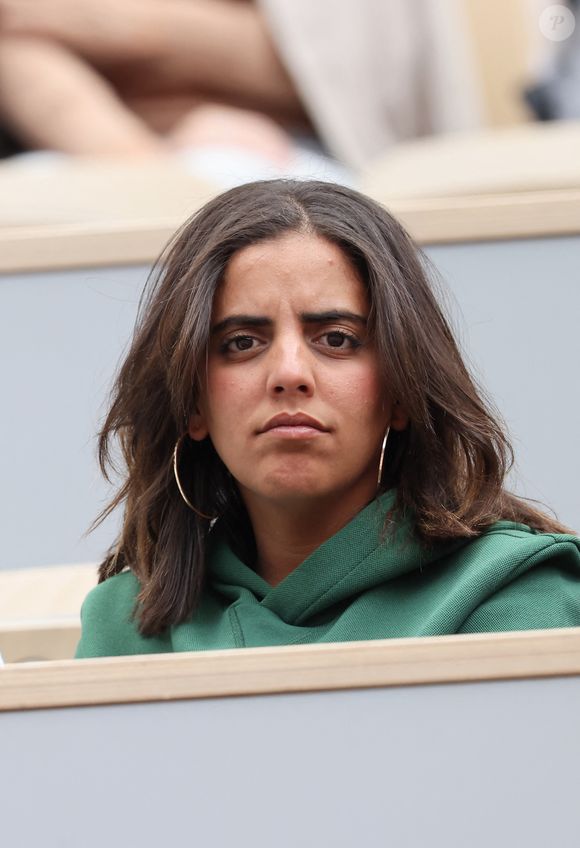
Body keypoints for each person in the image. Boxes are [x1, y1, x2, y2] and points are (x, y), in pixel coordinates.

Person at [75, 179, 580, 658]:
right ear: (192, 405)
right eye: (242, 343)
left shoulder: (515, 597)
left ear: (402, 390)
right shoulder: (124, 623)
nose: (289, 374)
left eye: (337, 339)